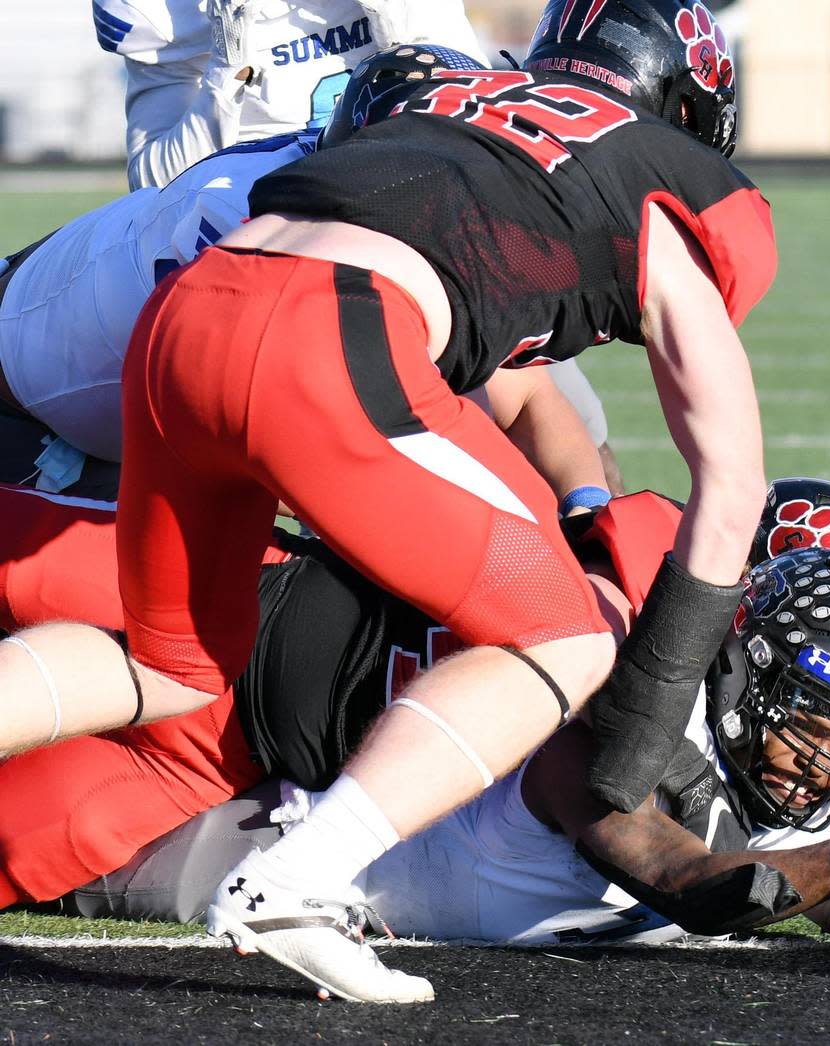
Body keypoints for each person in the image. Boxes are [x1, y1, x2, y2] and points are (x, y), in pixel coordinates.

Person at [0, 0, 774, 1002]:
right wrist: (627, 754)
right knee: (568, 633)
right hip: (319, 331)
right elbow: (732, 485)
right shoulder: (685, 190)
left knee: (170, 662)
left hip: (186, 309)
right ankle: (300, 877)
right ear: (684, 114)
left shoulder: (445, 87)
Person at [0, 484, 830, 990]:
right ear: (735, 664)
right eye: (810, 719)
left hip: (223, 800)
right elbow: (685, 875)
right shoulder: (632, 695)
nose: (821, 763)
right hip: (266, 805)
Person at [0, 45, 607, 506]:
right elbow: (340, 473)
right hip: (27, 402)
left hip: (101, 369)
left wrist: (590, 515)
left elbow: (532, 398)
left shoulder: (354, 200)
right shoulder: (269, 232)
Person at [94, 0, 488, 189]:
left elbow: (480, 123)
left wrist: (394, 18)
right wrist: (230, 67)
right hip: (251, 212)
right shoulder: (163, 13)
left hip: (397, 190)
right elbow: (152, 185)